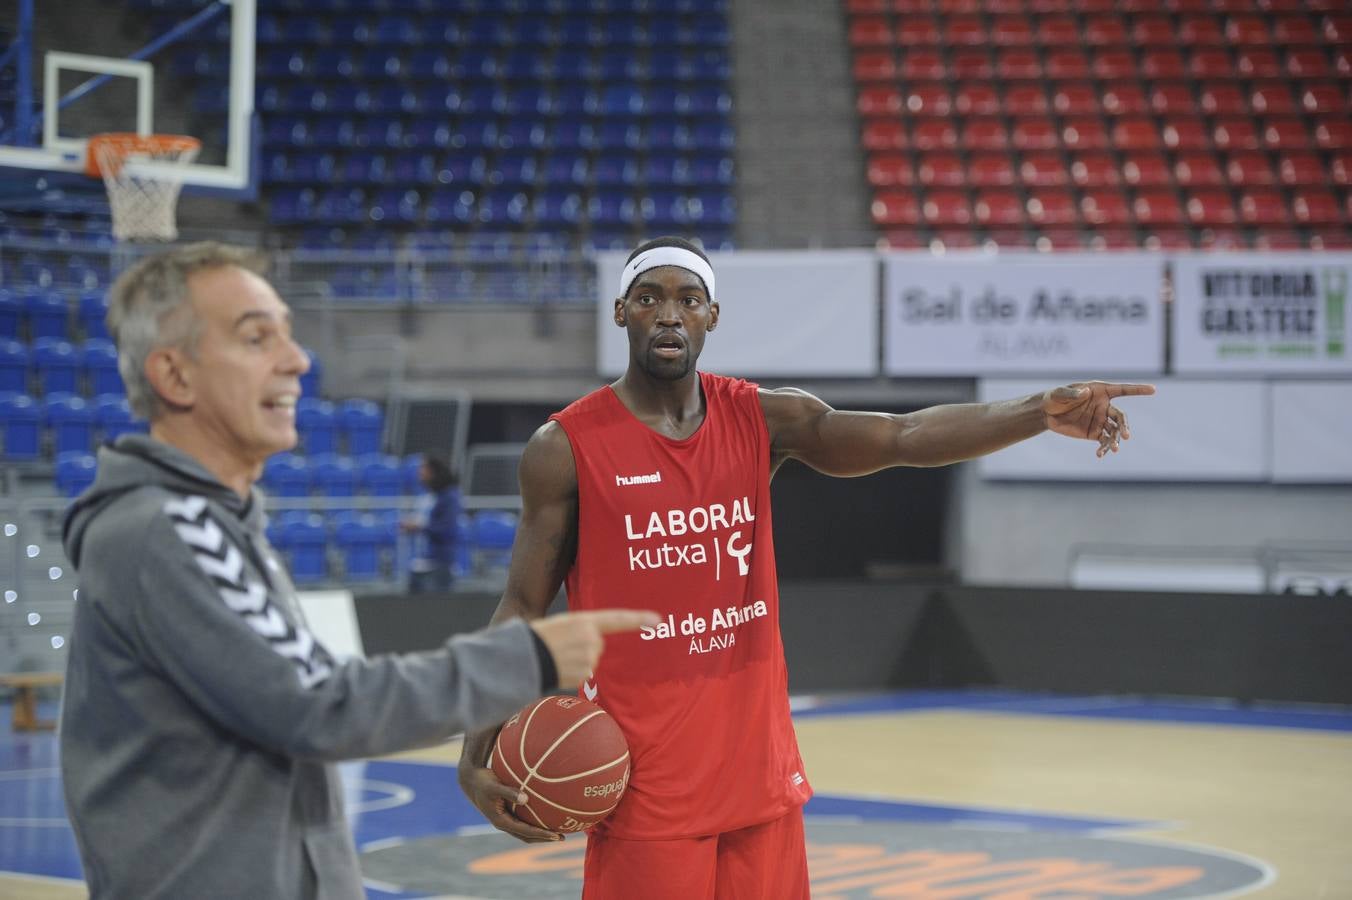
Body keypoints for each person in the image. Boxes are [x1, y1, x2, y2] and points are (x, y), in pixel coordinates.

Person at [458, 236, 1156, 899]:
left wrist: (1036, 410)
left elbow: (903, 435)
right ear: (620, 312)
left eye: (687, 298)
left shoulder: (764, 421)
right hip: (646, 789)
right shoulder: (565, 447)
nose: (669, 313)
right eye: (647, 297)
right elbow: (521, 608)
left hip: (760, 779)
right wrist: (474, 753)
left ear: (712, 316)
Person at [57, 242, 657, 900]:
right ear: (174, 377)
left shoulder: (212, 522)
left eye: (288, 333)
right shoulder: (165, 531)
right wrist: (526, 658)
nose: (297, 360)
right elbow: (322, 706)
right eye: (258, 338)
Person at [403, 453, 463, 592]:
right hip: (426, 561)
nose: (420, 472)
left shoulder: (449, 497)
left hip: (440, 564)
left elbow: (446, 529)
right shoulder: (431, 496)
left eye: (423, 468)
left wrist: (419, 527)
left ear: (434, 471)